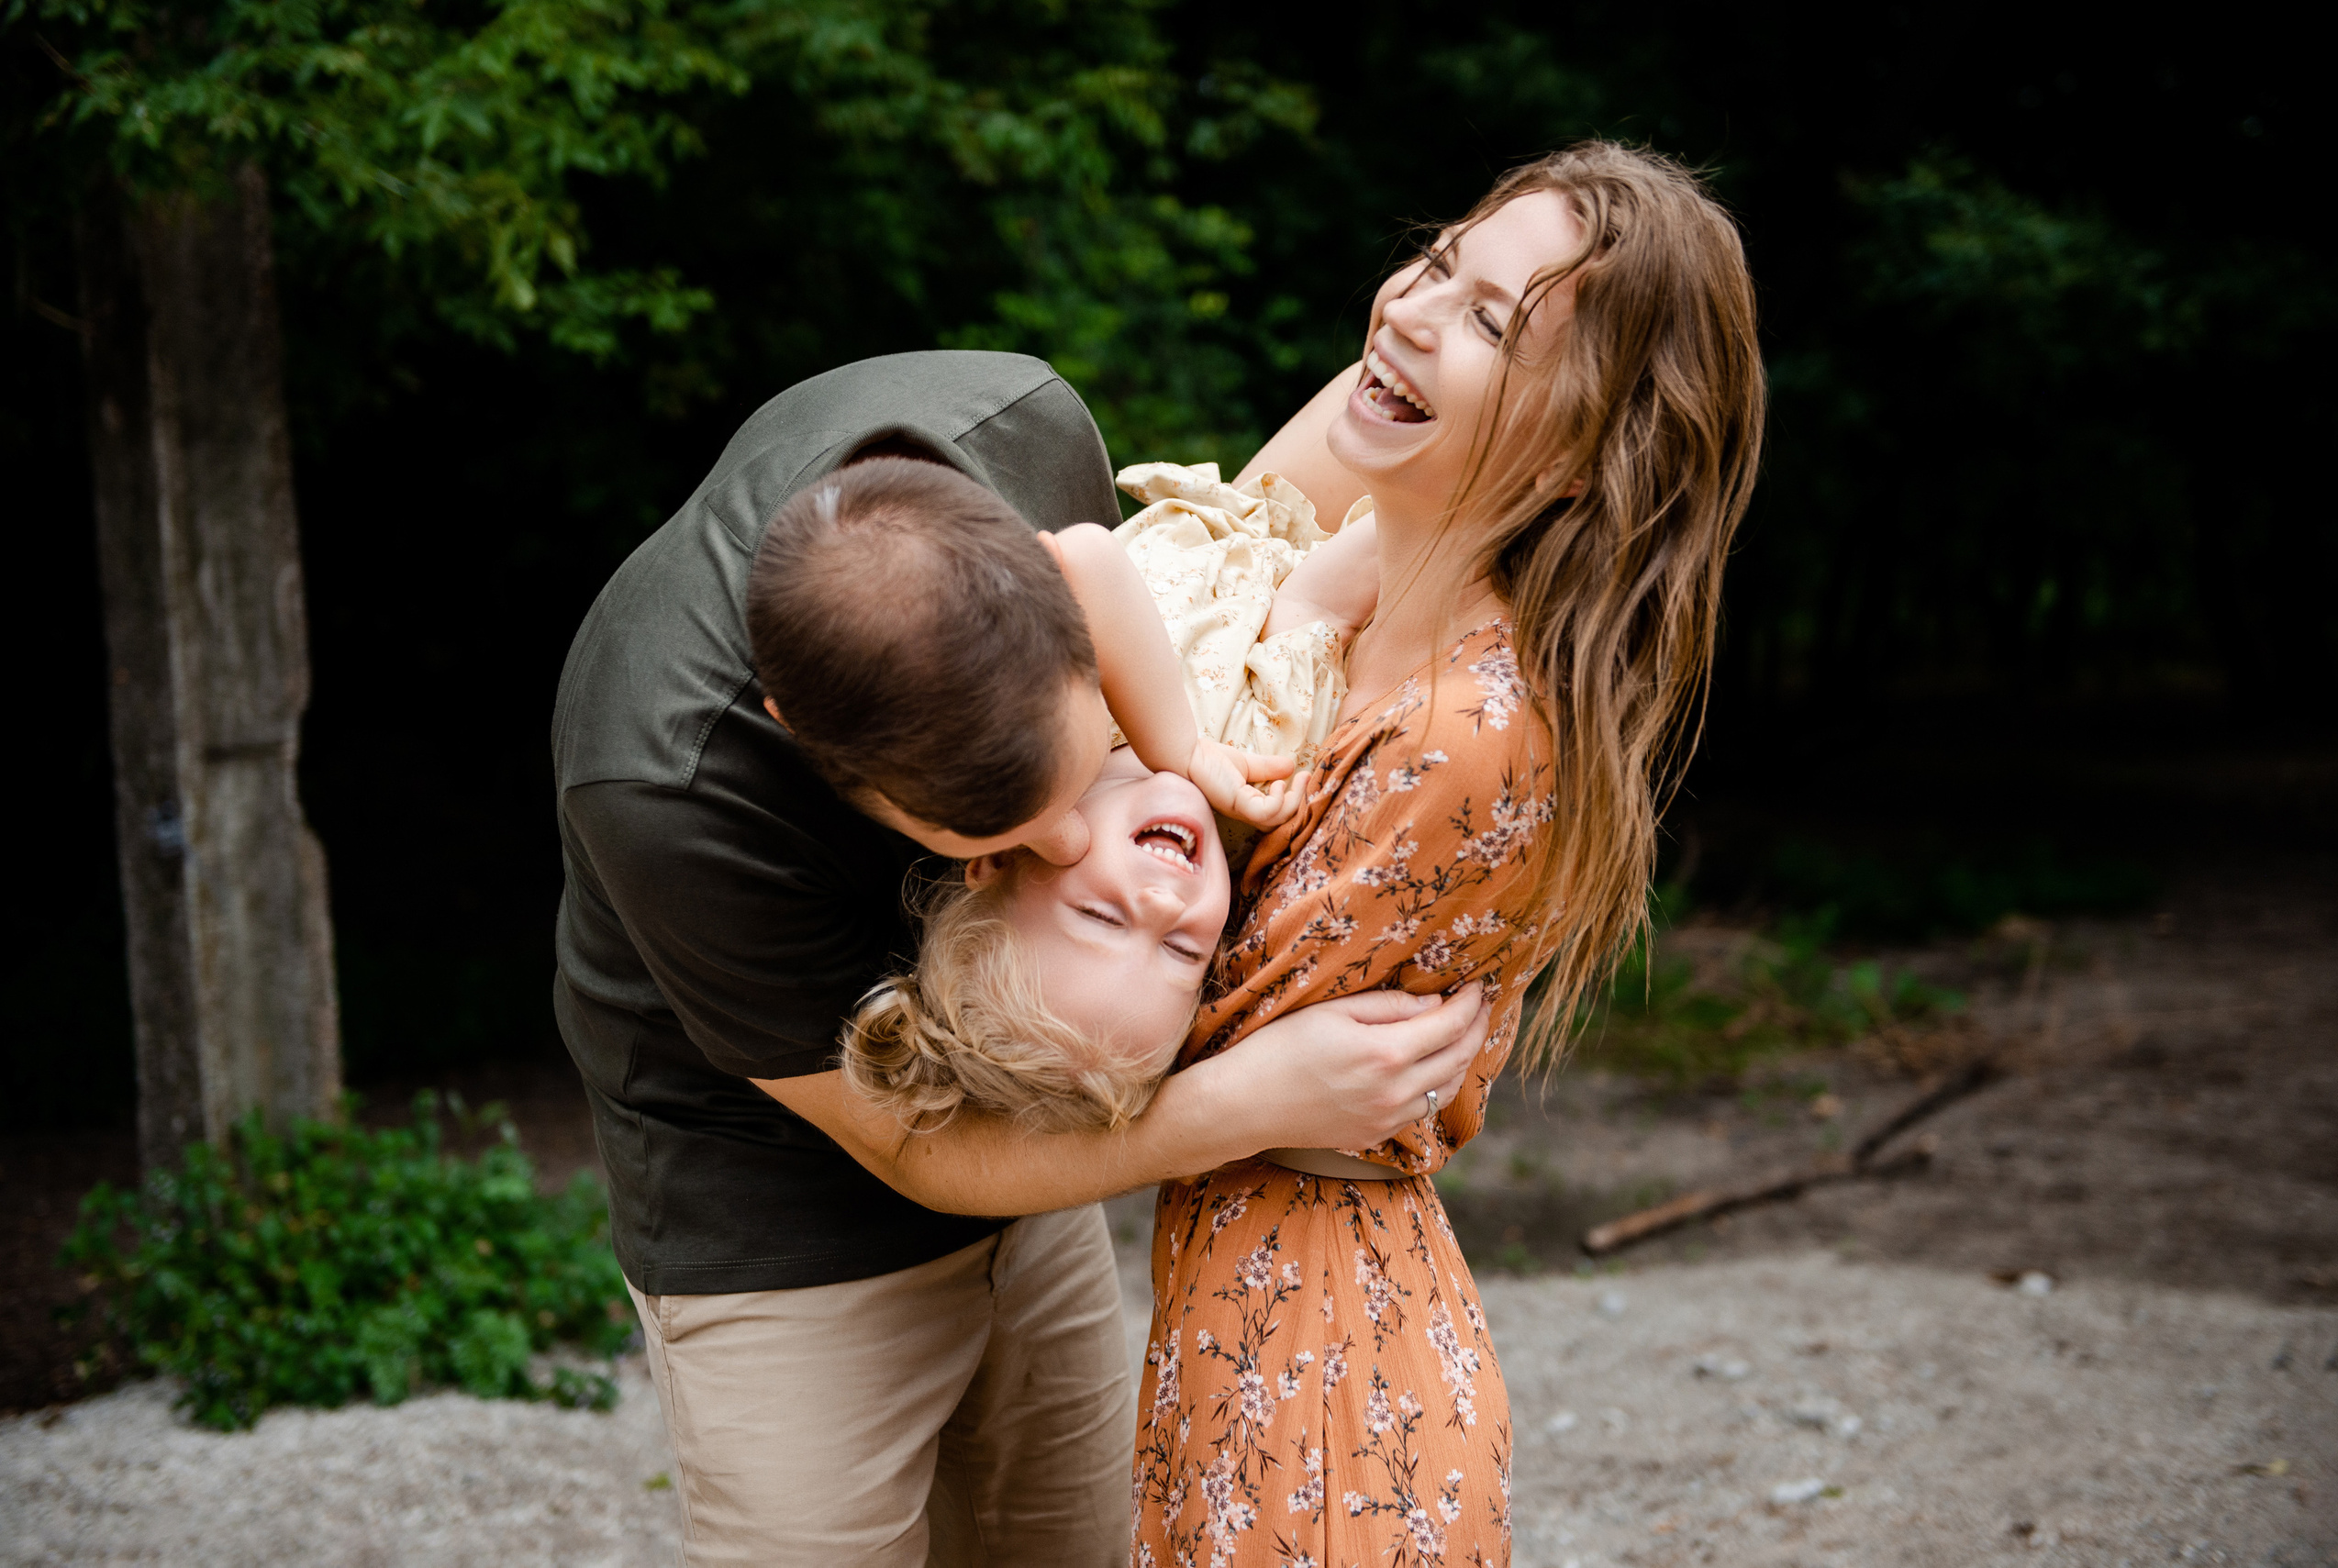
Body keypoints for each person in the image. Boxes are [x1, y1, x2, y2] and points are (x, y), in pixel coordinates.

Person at [551, 350, 1492, 1567]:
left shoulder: (1020, 429)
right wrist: (1247, 1101)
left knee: (1069, 1537)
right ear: (802, 735)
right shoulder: (665, 788)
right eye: (996, 832)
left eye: (1078, 772)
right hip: (770, 1197)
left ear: (1069, 596)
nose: (1063, 841)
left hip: (1040, 1086)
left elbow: (1246, 539)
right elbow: (911, 1144)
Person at [1130, 141, 1765, 1566]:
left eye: (1489, 322)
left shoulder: (1471, 733)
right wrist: (1301, 604)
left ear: (1584, 451)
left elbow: (1148, 1028)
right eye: (1434, 261)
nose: (1410, 310)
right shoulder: (1373, 585)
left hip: (1324, 1392)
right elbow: (1284, 483)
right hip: (1243, 1324)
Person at [826, 459, 1383, 1133]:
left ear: (999, 856)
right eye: (1182, 950)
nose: (1163, 905)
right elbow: (1324, 601)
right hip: (1325, 510)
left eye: (1102, 917)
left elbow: (1082, 558)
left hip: (1236, 491)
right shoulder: (1263, 771)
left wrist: (1174, 748)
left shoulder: (1027, 726)